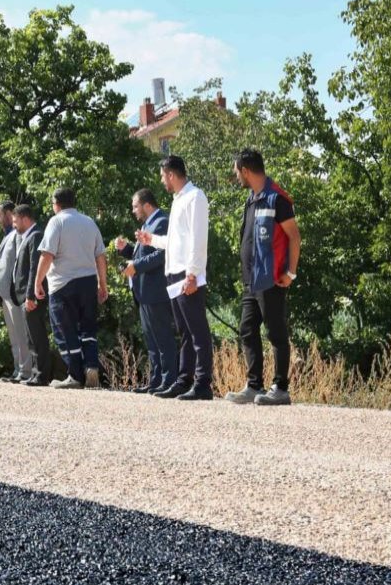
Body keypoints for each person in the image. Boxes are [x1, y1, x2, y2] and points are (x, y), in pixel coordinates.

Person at [224, 148, 301, 406]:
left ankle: (280, 388)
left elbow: (294, 236)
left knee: (276, 332)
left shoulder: (276, 198)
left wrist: (291, 272)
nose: (236, 177)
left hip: (271, 278)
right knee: (247, 328)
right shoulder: (252, 197)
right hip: (250, 280)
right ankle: (253, 384)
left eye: (237, 172)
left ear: (246, 170)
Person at [137, 155, 214, 400]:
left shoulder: (195, 197)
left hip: (187, 273)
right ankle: (184, 381)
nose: (162, 181)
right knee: (184, 332)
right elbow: (177, 241)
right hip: (174, 273)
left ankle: (202, 384)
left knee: (197, 332)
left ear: (171, 174)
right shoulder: (178, 200)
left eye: (162, 176)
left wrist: (192, 273)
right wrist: (153, 240)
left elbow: (198, 238)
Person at [34, 188, 108, 389]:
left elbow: (47, 255)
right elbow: (101, 256)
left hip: (62, 284)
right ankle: (91, 366)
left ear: (56, 203)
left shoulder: (57, 221)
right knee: (88, 328)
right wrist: (103, 284)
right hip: (88, 281)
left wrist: (37, 281)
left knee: (64, 330)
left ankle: (75, 374)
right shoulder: (89, 222)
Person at [115, 189, 177, 394]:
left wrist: (137, 267)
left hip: (156, 290)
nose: (133, 210)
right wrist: (127, 249)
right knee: (152, 339)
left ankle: (169, 381)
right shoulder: (148, 224)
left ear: (147, 205)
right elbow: (142, 253)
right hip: (144, 292)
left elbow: (162, 254)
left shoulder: (161, 222)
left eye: (135, 206)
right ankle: (156, 380)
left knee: (163, 338)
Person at [11, 204, 54, 387]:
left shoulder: (35, 236)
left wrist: (30, 295)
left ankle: (42, 374)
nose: (13, 225)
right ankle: (37, 373)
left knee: (37, 335)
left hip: (33, 296)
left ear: (25, 218)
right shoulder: (28, 236)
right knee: (31, 336)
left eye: (15, 221)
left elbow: (34, 269)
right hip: (26, 296)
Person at [0, 201, 34, 383]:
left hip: (15, 293)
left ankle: (26, 371)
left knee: (21, 334)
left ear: (10, 214)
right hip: (5, 294)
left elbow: (20, 265)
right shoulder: (7, 235)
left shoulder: (18, 235)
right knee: (13, 335)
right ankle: (19, 369)